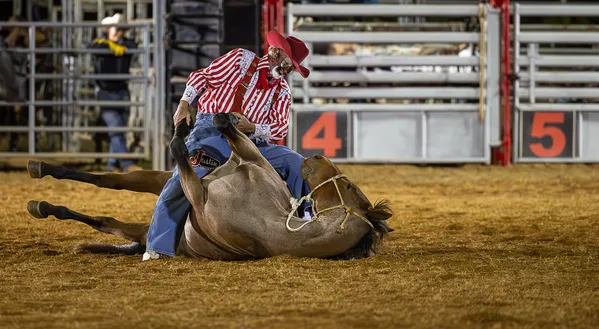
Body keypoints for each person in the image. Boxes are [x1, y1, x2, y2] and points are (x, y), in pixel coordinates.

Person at [143, 30, 313, 261]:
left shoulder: (282, 91)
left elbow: (280, 129)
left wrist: (252, 127)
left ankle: (307, 221)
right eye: (288, 62)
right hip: (212, 130)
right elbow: (202, 77)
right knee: (187, 175)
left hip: (250, 141)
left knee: (297, 163)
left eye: (292, 67)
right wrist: (184, 103)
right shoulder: (240, 59)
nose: (288, 69)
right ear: (275, 51)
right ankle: (158, 246)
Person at [88, 13, 142, 172]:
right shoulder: (100, 44)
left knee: (118, 129)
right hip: (106, 92)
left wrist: (118, 46)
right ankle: (126, 164)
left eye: (121, 29)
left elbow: (133, 46)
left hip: (122, 91)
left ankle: (111, 164)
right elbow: (95, 48)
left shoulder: (126, 45)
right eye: (116, 28)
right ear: (107, 29)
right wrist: (115, 47)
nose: (119, 32)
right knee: (116, 128)